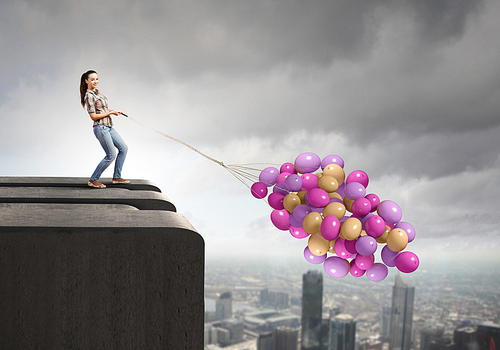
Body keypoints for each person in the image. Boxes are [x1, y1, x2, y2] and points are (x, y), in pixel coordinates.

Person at [80, 70, 130, 188]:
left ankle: (117, 177)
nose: (95, 81)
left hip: (109, 126)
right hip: (100, 128)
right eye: (92, 79)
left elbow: (102, 110)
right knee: (111, 154)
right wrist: (111, 113)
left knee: (124, 148)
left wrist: (113, 110)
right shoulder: (89, 96)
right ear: (86, 81)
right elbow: (93, 116)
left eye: (97, 79)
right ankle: (93, 179)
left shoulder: (98, 93)